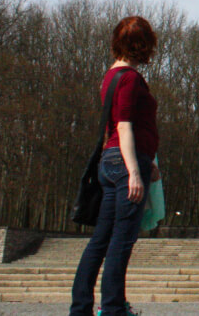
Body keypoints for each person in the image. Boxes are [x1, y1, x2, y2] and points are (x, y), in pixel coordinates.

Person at [70, 16, 161, 316]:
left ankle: (81, 308)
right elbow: (124, 126)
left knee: (100, 241)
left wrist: (148, 163)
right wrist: (136, 170)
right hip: (124, 163)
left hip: (110, 162)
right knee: (122, 240)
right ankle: (112, 309)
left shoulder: (109, 76)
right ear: (142, 44)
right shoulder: (131, 78)